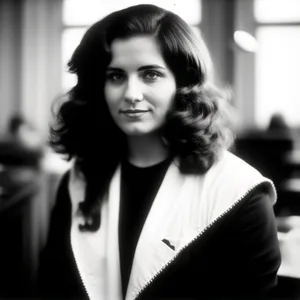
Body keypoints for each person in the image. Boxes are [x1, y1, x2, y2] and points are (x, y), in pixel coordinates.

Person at [38, 4, 281, 300]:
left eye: (150, 75)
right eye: (116, 76)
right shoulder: (78, 181)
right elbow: (51, 287)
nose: (131, 93)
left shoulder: (239, 192)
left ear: (183, 84)